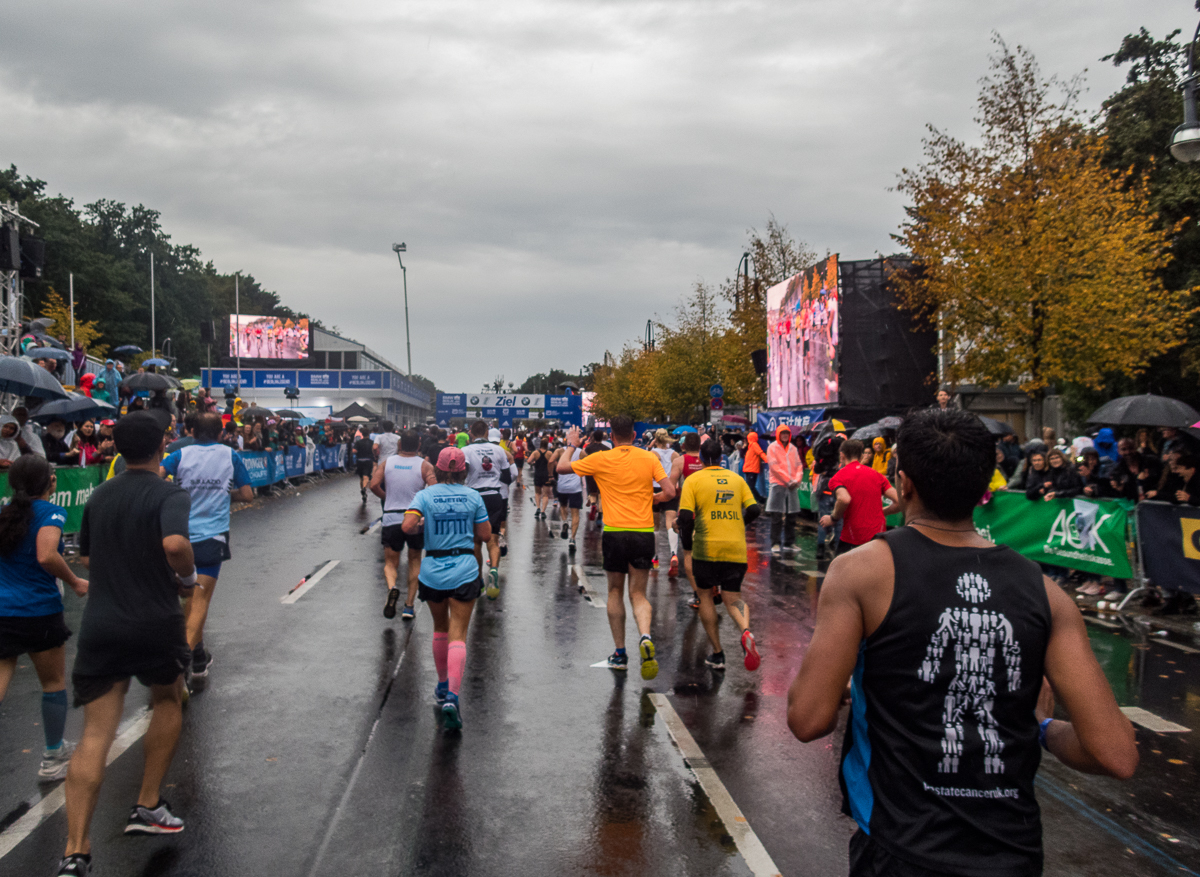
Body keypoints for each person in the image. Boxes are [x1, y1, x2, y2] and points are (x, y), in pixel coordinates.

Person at [786, 407, 1137, 877]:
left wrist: (853, 683)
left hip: (900, 847)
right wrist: (1043, 727)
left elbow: (808, 719)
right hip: (1010, 854)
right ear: (983, 486)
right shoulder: (1046, 593)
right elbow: (1115, 754)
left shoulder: (862, 572)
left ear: (904, 483)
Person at [58, 412, 200, 877]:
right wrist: (187, 577)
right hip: (155, 622)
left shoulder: (100, 494)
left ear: (117, 447)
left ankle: (75, 851)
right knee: (167, 699)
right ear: (162, 445)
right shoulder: (169, 492)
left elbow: (86, 555)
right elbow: (177, 543)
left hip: (103, 623)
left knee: (95, 733)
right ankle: (147, 805)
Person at [559, 417, 675, 680]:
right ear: (634, 435)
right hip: (643, 532)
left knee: (614, 591)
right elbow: (669, 492)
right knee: (639, 594)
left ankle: (620, 654)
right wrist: (650, 498)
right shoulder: (649, 458)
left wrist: (571, 444)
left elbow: (562, 468)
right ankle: (645, 635)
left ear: (612, 435)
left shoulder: (601, 459)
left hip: (614, 532)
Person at [0, 456, 88, 783]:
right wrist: (75, 581)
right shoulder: (51, 512)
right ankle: (53, 755)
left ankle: (57, 750)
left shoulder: (3, 514)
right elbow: (47, 554)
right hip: (38, 611)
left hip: (3, 610)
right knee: (52, 683)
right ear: (51, 482)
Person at [159, 413, 254, 691]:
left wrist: (176, 493)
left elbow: (156, 479)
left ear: (189, 430)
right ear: (222, 433)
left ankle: (198, 658)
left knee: (182, 602)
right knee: (198, 604)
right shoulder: (231, 456)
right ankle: (180, 666)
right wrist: (226, 495)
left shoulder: (179, 454)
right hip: (212, 537)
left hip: (178, 535)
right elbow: (248, 495)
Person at [401, 447, 490, 731]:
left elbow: (407, 526)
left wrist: (422, 527)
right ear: (464, 471)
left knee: (440, 629)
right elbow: (486, 534)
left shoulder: (424, 496)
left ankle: (441, 686)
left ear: (437, 469)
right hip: (464, 568)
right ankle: (453, 696)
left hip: (433, 570)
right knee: (458, 635)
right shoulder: (473, 496)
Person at [678, 438, 762, 672]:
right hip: (734, 548)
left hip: (706, 548)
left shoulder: (693, 480)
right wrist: (740, 525)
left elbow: (685, 518)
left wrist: (687, 544)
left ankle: (718, 653)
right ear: (722, 458)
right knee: (733, 597)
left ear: (701, 459)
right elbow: (755, 509)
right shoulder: (737, 479)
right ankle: (746, 630)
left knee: (705, 597)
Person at [371, 429, 436, 620]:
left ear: (399, 445)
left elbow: (373, 485)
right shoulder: (425, 466)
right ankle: (409, 606)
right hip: (415, 519)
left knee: (391, 562)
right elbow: (433, 490)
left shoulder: (387, 463)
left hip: (391, 518)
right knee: (415, 560)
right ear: (418, 446)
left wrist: (387, 497)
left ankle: (392, 588)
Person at [461, 420, 514, 599]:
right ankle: (493, 570)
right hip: (494, 496)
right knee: (493, 540)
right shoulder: (499, 450)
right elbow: (507, 477)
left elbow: (462, 474)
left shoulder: (466, 451)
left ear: (471, 433)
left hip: (474, 496)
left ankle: (478, 580)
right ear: (486, 432)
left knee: (476, 541)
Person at [819, 439, 899, 557]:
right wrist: (880, 512)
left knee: (842, 573)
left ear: (842, 455)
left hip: (852, 538)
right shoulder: (877, 475)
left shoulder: (838, 477)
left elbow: (844, 499)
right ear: (861, 456)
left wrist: (833, 518)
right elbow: (899, 502)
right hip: (878, 537)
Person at [765, 424, 803, 555]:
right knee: (776, 515)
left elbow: (799, 465)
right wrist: (788, 480)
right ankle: (775, 542)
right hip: (778, 485)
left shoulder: (793, 448)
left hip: (792, 486)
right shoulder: (772, 447)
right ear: (778, 434)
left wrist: (796, 480)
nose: (785, 435)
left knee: (791, 516)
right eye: (783, 433)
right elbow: (774, 468)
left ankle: (789, 542)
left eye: (787, 433)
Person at [650, 430, 680, 573]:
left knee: (655, 525)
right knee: (671, 522)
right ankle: (673, 553)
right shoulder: (674, 454)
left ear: (655, 439)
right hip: (670, 488)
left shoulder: (652, 454)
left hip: (655, 489)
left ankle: (655, 557)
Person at [551, 438, 586, 552]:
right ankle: (572, 539)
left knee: (563, 506)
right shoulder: (581, 452)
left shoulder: (560, 451)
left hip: (562, 486)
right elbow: (590, 461)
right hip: (575, 487)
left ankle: (565, 522)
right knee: (575, 513)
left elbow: (551, 461)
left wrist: (550, 474)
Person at [527, 438, 554, 518]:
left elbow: (528, 461)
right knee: (545, 495)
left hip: (537, 474)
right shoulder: (549, 453)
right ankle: (543, 511)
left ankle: (538, 507)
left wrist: (533, 463)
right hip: (546, 475)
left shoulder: (535, 452)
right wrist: (551, 474)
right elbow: (552, 463)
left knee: (537, 493)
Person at [741, 431, 768, 503]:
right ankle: (757, 500)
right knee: (750, 487)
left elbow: (760, 453)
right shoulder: (751, 446)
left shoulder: (753, 445)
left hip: (752, 469)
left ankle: (760, 500)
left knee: (751, 487)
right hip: (749, 469)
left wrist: (767, 460)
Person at [354, 429, 376, 503]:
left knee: (361, 477)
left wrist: (358, 452)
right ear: (368, 434)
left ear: (362, 434)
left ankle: (362, 490)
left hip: (359, 461)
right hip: (368, 460)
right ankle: (364, 488)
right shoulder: (371, 442)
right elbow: (375, 450)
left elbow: (354, 451)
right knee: (366, 476)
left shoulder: (358, 442)